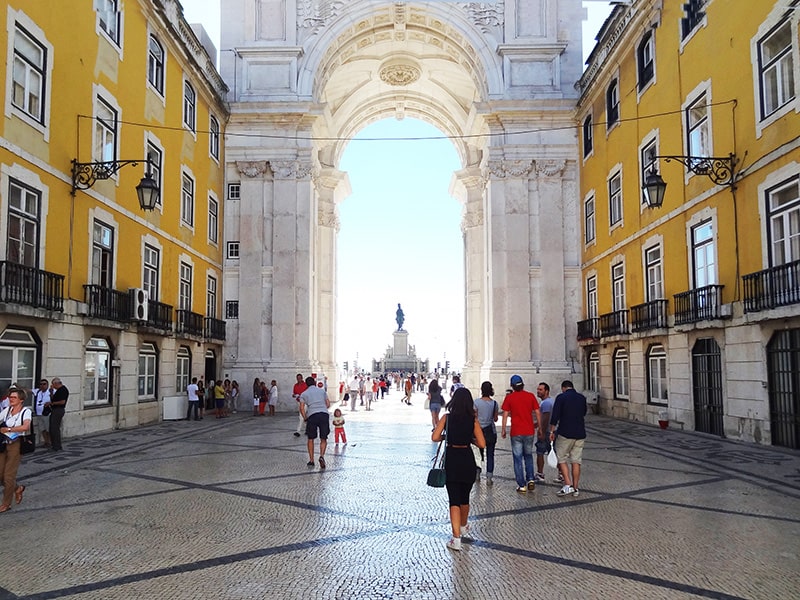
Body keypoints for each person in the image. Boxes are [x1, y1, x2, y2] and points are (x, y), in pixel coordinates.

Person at [432, 387, 485, 551]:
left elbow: (434, 437)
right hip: (467, 458)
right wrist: (471, 440)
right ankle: (463, 526)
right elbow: (482, 443)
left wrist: (445, 436)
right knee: (464, 497)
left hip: (452, 459)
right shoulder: (473, 420)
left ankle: (456, 539)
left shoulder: (447, 418)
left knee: (453, 499)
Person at [501, 374, 542, 493]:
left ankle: (521, 484)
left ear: (512, 386)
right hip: (529, 431)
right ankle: (530, 479)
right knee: (528, 455)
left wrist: (503, 429)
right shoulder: (530, 396)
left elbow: (505, 414)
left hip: (516, 432)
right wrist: (539, 427)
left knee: (517, 458)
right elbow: (538, 412)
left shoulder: (510, 398)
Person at [549, 380, 587, 497]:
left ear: (563, 388)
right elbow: (584, 412)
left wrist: (552, 431)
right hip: (580, 433)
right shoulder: (581, 398)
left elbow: (555, 415)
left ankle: (568, 485)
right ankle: (576, 488)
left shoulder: (561, 397)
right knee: (576, 461)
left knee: (562, 458)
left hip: (565, 433)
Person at [0, 387, 32, 511]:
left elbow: (25, 427)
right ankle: (17, 488)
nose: (10, 399)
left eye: (14, 397)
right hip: (3, 443)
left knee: (8, 476)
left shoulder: (26, 412)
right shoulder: (7, 410)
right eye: (10, 397)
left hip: (16, 444)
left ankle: (6, 504)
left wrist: (8, 429)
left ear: (21, 400)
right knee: (0, 475)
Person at [299, 376, 331, 468]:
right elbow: (328, 404)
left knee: (311, 438)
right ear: (314, 382)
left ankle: (311, 460)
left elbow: (301, 408)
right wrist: (322, 408)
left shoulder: (304, 394)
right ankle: (321, 456)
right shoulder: (322, 391)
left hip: (312, 415)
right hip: (324, 414)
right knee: (323, 438)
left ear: (306, 384)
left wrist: (305, 417)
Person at [474, 381, 499, 485]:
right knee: (490, 454)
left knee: (478, 454)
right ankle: (489, 477)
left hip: (478, 431)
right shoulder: (494, 403)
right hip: (490, 431)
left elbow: (474, 417)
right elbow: (496, 418)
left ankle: (477, 474)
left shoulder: (476, 402)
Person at [535, 382, 555, 482]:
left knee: (540, 452)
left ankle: (540, 473)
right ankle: (561, 474)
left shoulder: (546, 403)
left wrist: (541, 431)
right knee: (555, 452)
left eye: (540, 390)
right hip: (551, 431)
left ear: (546, 391)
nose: (538, 391)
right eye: (538, 389)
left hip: (546, 432)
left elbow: (545, 417)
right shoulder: (550, 401)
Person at [46, 377, 69, 452]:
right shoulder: (58, 390)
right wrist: (51, 392)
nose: (52, 386)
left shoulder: (63, 390)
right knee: (52, 428)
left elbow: (62, 402)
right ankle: (55, 445)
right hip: (55, 410)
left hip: (58, 410)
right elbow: (54, 399)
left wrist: (52, 403)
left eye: (53, 384)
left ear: (56, 383)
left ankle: (57, 446)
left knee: (54, 428)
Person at [32, 379, 52, 447]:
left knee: (48, 428)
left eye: (44, 384)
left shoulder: (51, 391)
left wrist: (50, 403)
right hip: (39, 413)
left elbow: (56, 399)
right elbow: (28, 390)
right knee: (42, 428)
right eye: (41, 384)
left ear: (47, 385)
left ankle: (49, 441)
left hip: (46, 413)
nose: (42, 386)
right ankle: (46, 442)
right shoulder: (38, 391)